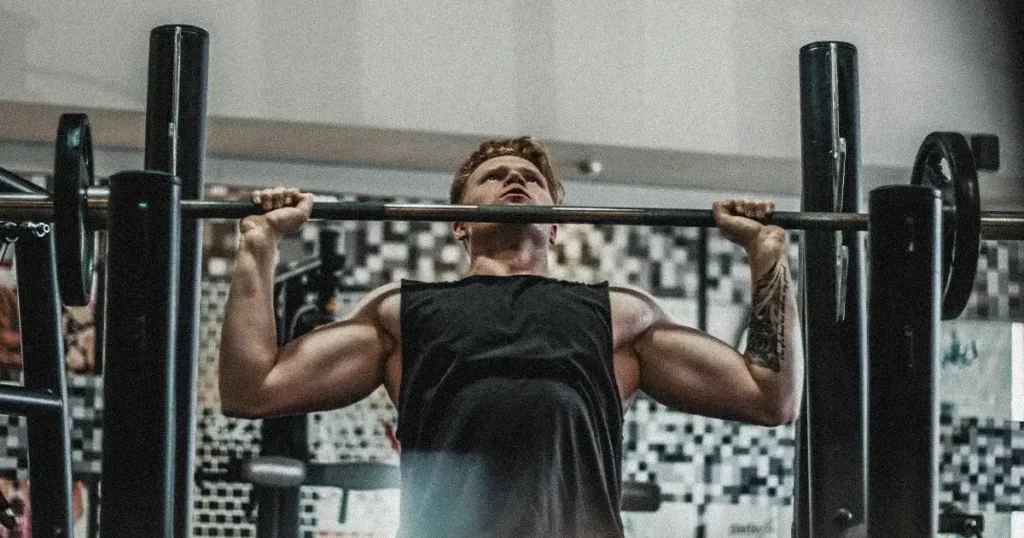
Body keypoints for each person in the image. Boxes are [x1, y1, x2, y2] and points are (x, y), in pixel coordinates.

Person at [218, 137, 803, 538]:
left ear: (555, 223)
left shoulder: (619, 316)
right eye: (493, 177)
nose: (514, 180)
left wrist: (767, 255)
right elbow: (253, 389)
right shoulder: (402, 313)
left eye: (529, 178)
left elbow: (770, 398)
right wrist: (259, 247)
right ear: (459, 224)